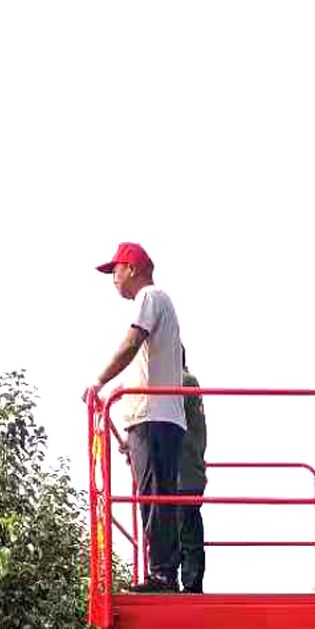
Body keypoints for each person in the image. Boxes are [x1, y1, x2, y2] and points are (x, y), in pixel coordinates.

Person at [86, 242, 185, 592]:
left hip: (153, 416)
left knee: (154, 495)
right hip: (154, 417)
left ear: (132, 269)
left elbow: (131, 345)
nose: (113, 279)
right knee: (156, 494)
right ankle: (163, 571)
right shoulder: (158, 301)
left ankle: (163, 574)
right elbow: (142, 367)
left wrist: (98, 381)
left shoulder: (150, 297)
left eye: (115, 271)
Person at [179, 349, 207, 593]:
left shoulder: (183, 382)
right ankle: (191, 584)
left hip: (184, 470)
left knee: (185, 528)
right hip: (189, 469)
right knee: (187, 525)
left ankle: (191, 584)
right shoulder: (188, 382)